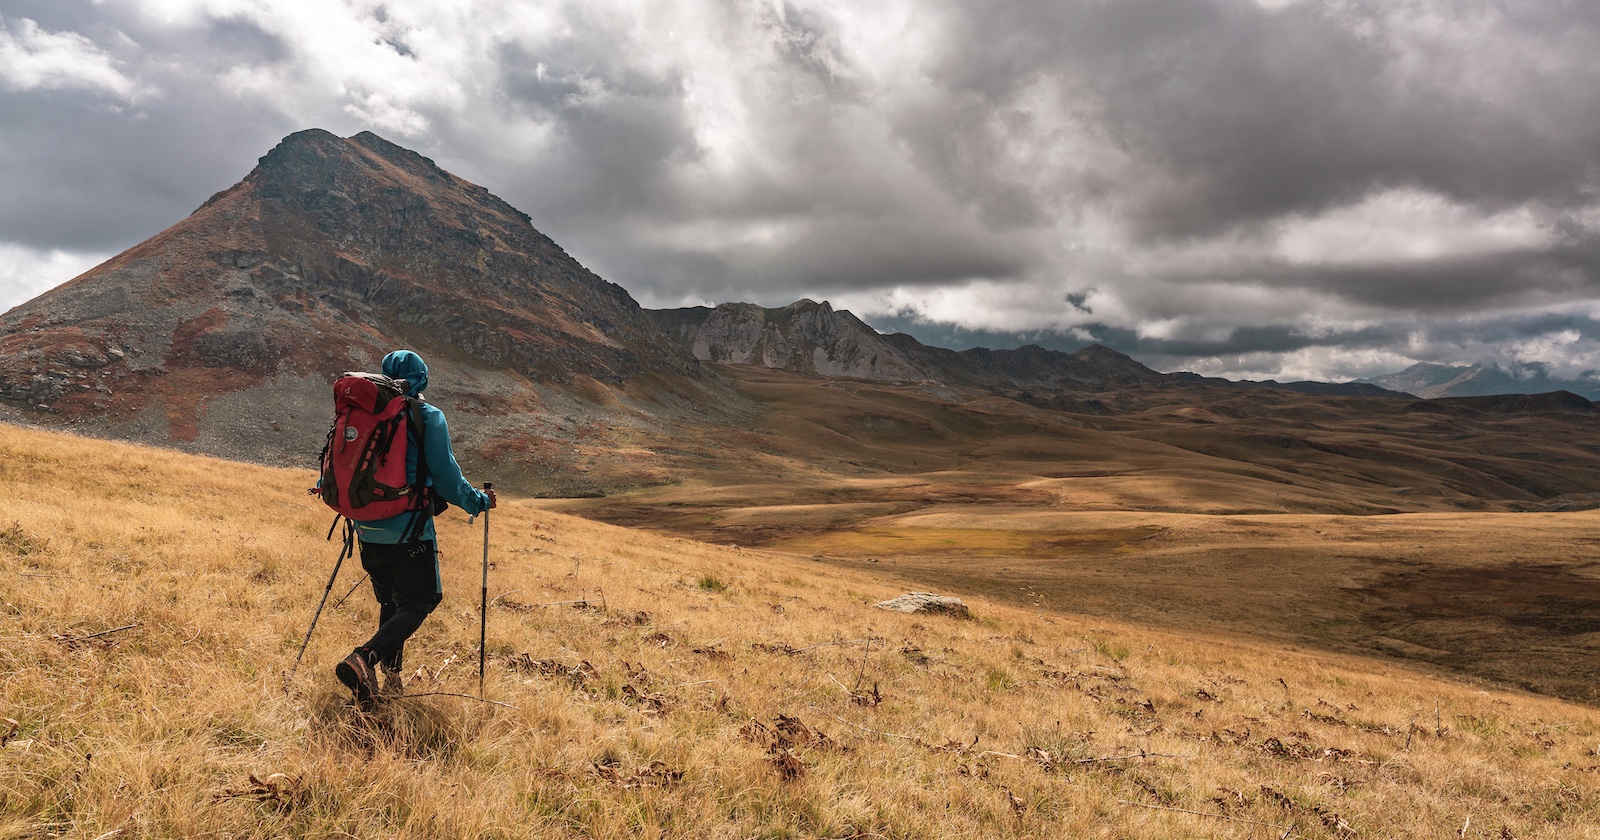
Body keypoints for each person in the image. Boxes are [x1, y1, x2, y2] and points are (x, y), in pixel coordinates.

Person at [334, 349, 495, 702]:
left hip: (365, 529)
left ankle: (389, 684)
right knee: (421, 600)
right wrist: (479, 502)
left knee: (393, 602)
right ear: (422, 379)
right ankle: (364, 659)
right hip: (409, 531)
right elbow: (448, 479)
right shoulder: (426, 416)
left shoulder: (363, 415)